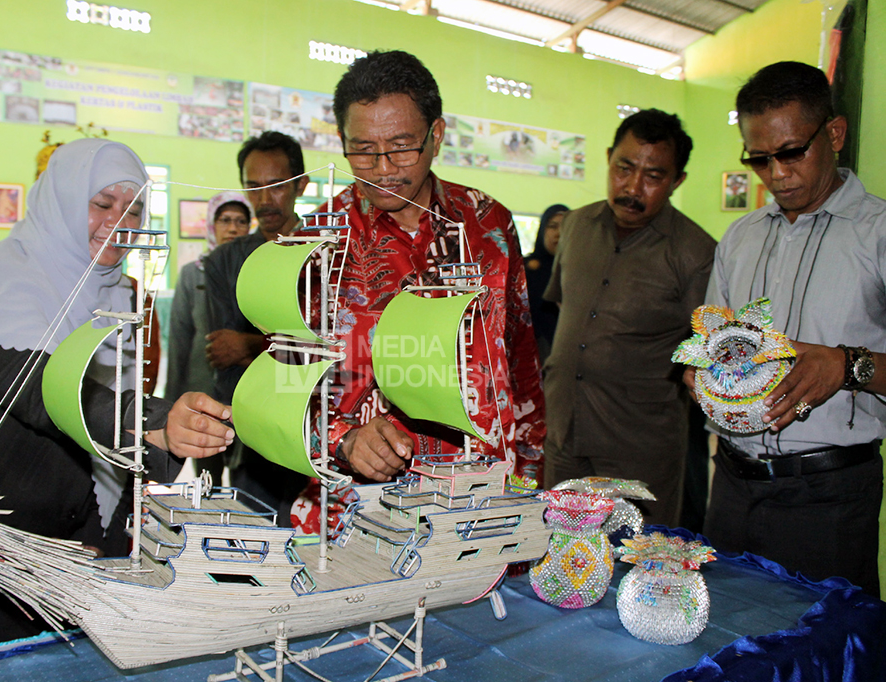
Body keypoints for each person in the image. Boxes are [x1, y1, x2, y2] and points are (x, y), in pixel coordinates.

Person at [0, 138, 233, 664]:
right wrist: (155, 420)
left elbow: (108, 445)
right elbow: (44, 391)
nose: (119, 222)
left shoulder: (116, 295)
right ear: (61, 200)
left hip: (38, 559)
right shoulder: (2, 279)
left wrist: (103, 537)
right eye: (101, 204)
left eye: (133, 209)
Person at [300, 50, 545, 504]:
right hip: (359, 504)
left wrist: (528, 474)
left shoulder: (488, 224)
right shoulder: (316, 242)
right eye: (363, 150)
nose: (383, 169)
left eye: (401, 147)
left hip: (484, 493)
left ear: (437, 135)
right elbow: (282, 382)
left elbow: (520, 359)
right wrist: (343, 439)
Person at [691, 61, 885, 597]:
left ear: (835, 134)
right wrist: (702, 374)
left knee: (821, 638)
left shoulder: (877, 234)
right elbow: (714, 346)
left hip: (829, 498)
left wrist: (847, 365)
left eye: (792, 152)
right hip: (732, 485)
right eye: (759, 159)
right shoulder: (739, 238)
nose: (777, 174)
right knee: (724, 635)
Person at [542, 109, 715, 526]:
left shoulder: (696, 252)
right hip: (564, 432)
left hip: (638, 448)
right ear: (608, 158)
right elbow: (566, 313)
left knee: (635, 558)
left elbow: (707, 353)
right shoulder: (576, 226)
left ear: (677, 181)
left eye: (653, 176)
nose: (633, 187)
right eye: (624, 168)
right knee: (557, 548)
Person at [204, 131, 310, 524]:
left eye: (277, 186)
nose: (264, 200)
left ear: (301, 185)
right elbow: (222, 351)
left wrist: (251, 345)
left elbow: (336, 346)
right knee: (255, 537)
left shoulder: (323, 252)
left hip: (316, 424)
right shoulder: (225, 261)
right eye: (254, 187)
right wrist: (295, 346)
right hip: (252, 431)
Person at [166, 192, 253, 482]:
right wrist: (170, 401)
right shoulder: (192, 275)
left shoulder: (258, 273)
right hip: (203, 391)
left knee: (246, 474)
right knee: (207, 477)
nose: (233, 228)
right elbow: (179, 339)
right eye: (225, 220)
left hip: (246, 391)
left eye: (240, 221)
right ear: (212, 226)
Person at [523, 203, 568, 366]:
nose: (559, 233)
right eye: (553, 226)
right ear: (542, 230)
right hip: (531, 356)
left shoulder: (581, 272)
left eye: (566, 227)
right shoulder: (524, 269)